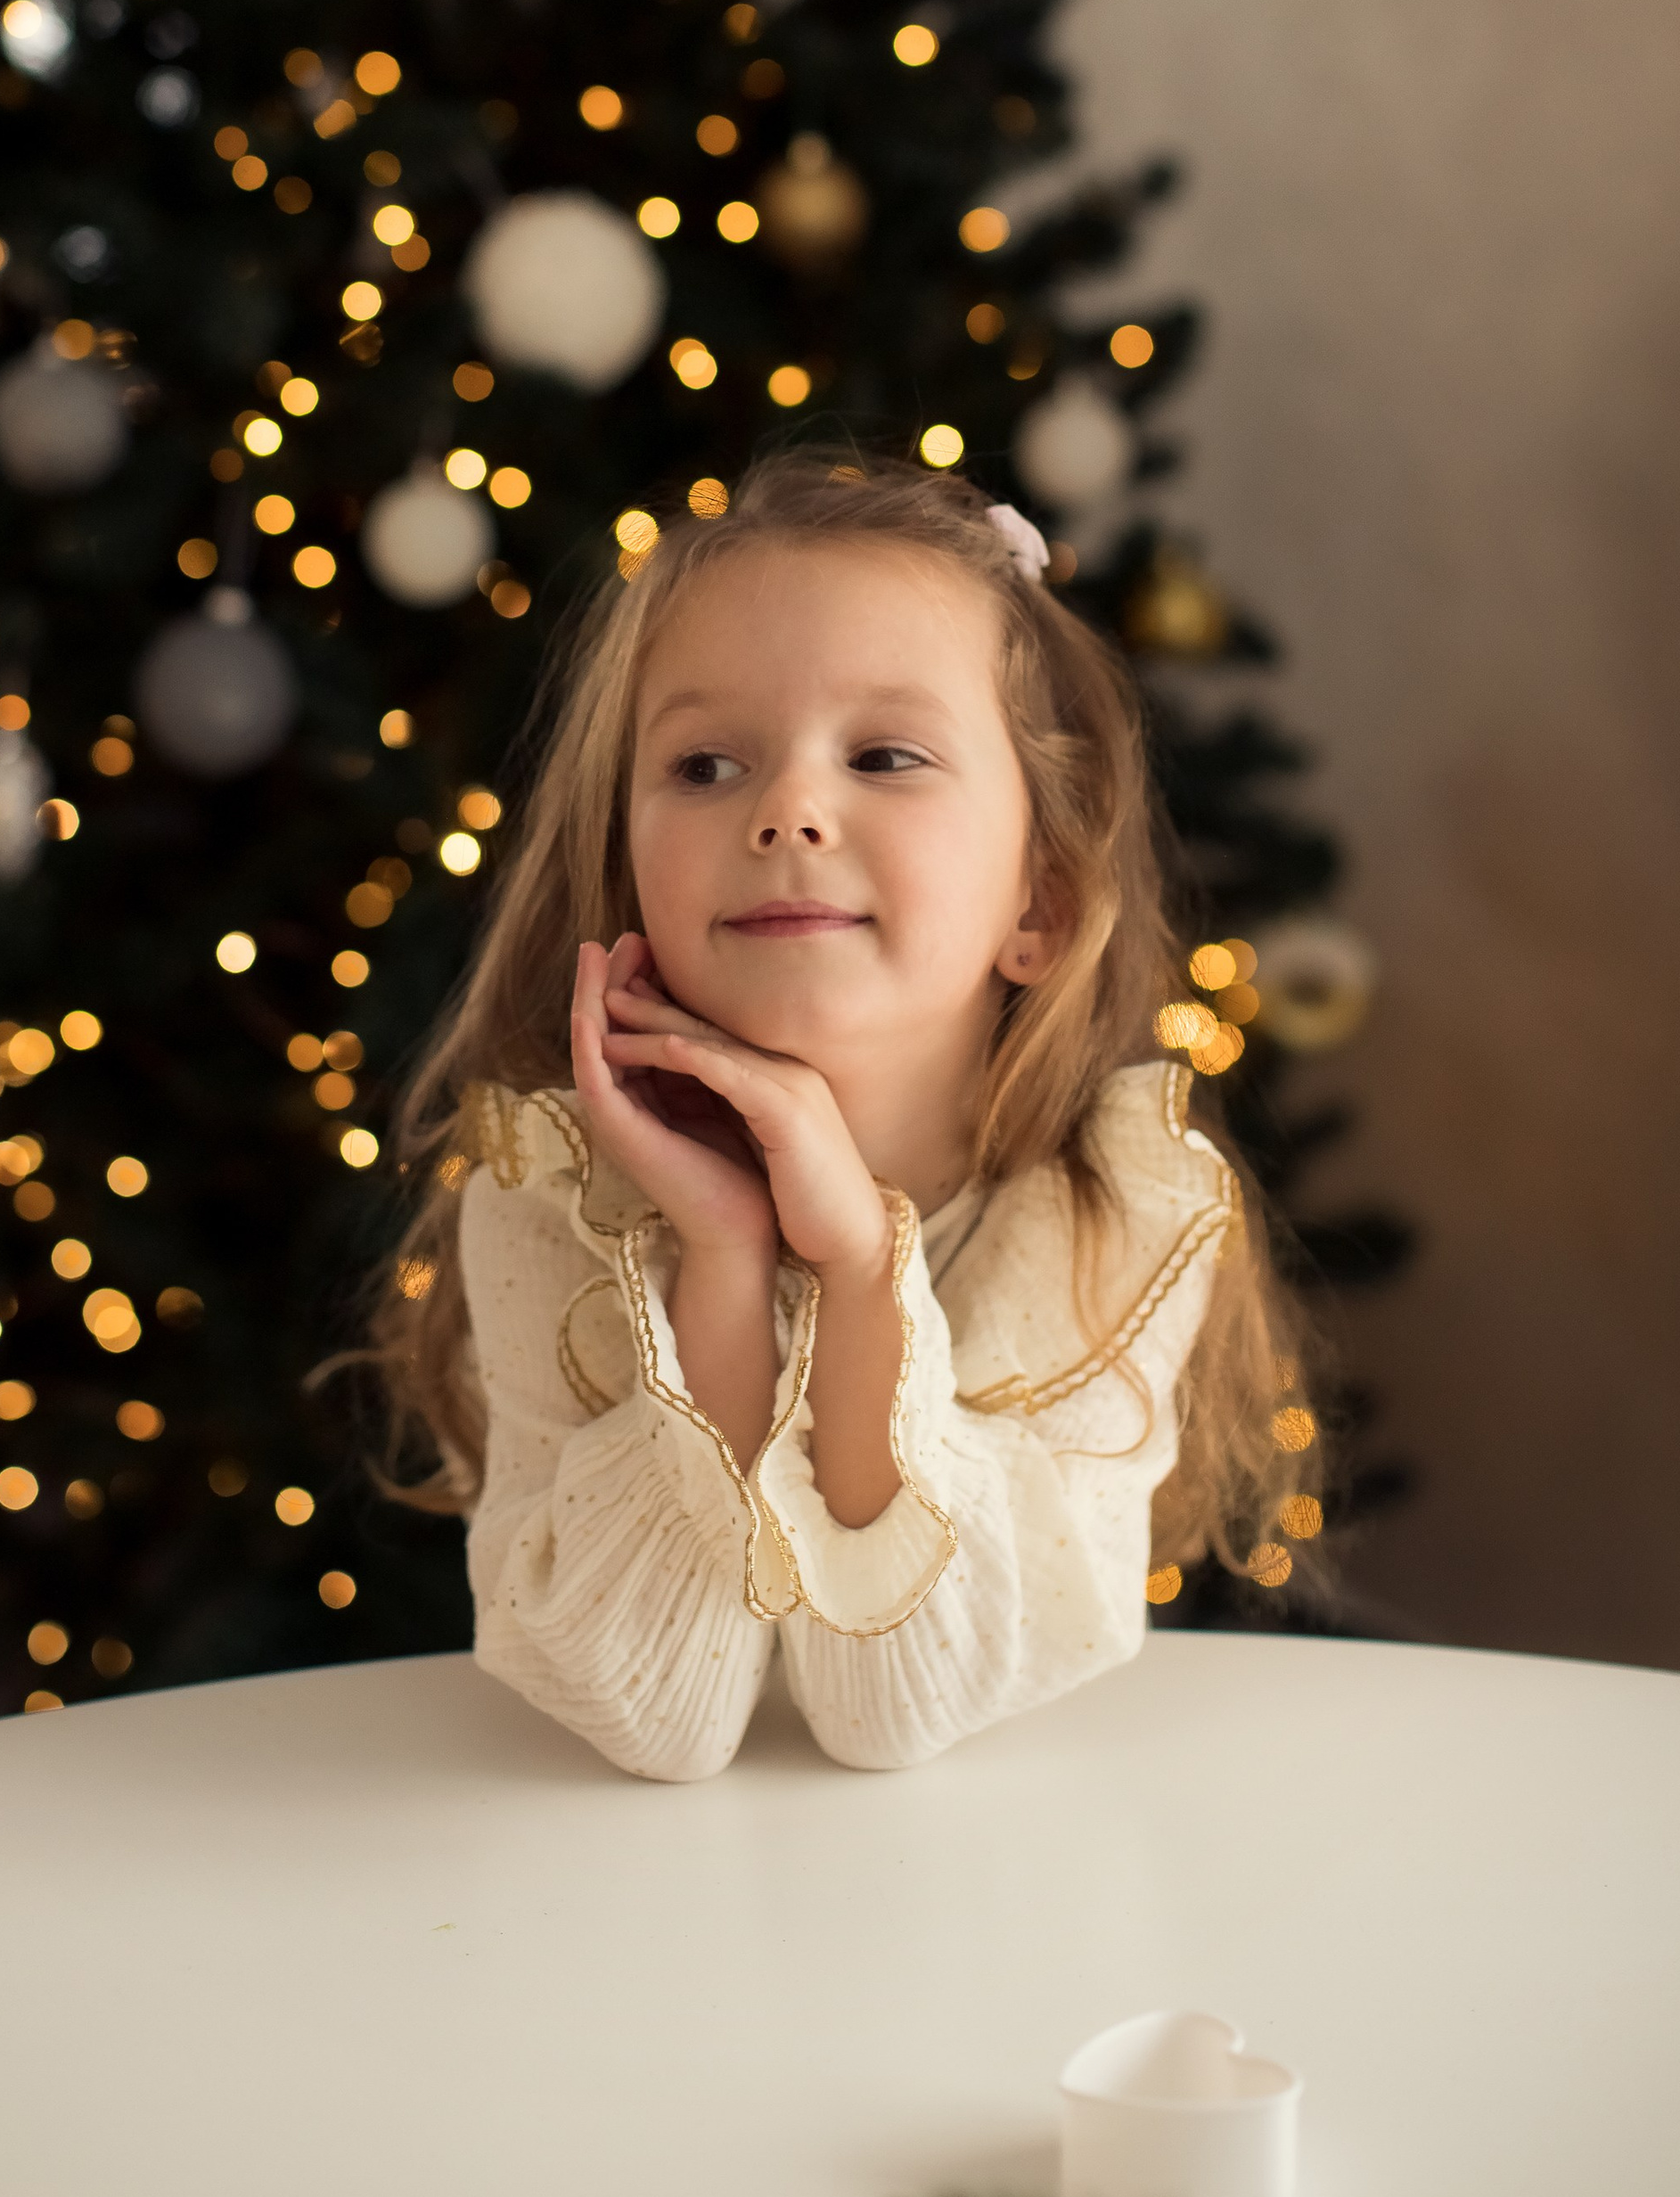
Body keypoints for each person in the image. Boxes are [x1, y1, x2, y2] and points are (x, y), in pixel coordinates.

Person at [371, 449, 1315, 1782]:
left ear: (1037, 903)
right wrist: (725, 1256)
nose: (787, 811)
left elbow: (890, 1718)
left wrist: (863, 1270)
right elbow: (654, 1719)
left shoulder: (1113, 1219)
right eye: (704, 765)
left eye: (883, 754)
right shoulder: (545, 1206)